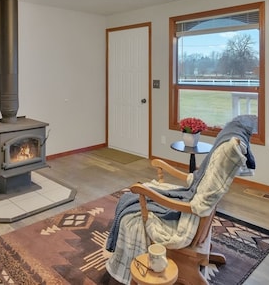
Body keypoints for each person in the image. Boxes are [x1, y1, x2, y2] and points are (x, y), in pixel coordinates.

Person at [105, 115, 257, 284]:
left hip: (188, 223)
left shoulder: (227, 150)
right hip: (200, 217)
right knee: (135, 197)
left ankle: (146, 263)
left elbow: (198, 203)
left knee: (132, 199)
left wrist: (144, 191)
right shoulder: (230, 146)